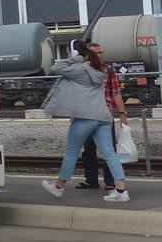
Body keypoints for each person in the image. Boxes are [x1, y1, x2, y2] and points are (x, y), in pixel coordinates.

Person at [41, 39, 128, 202]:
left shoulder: (79, 69)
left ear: (74, 53)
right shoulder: (99, 70)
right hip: (104, 116)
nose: (67, 55)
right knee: (109, 153)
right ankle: (121, 190)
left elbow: (55, 68)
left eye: (68, 52)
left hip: (86, 117)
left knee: (72, 152)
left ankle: (59, 186)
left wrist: (75, 58)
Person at [78, 42, 126, 190]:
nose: (99, 56)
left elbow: (116, 93)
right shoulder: (81, 71)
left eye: (100, 53)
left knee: (109, 150)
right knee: (89, 149)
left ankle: (111, 182)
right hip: (86, 116)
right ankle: (91, 180)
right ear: (87, 56)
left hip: (105, 116)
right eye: (95, 53)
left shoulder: (109, 71)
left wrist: (123, 114)